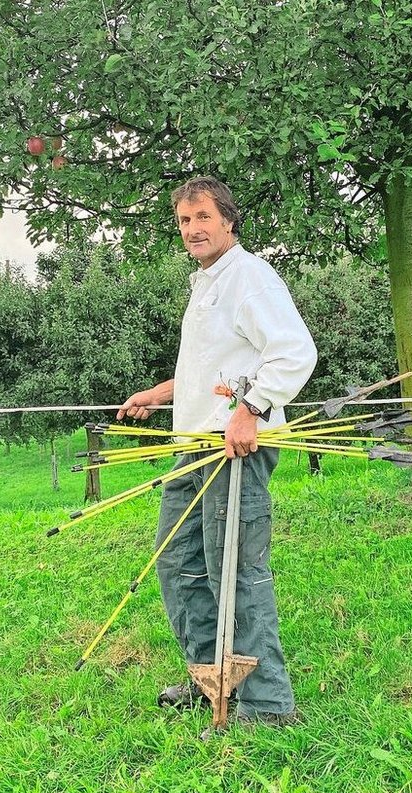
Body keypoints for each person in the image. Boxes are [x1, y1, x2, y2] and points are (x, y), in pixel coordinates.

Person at [118, 177, 317, 727]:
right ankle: (210, 677)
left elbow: (295, 352)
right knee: (179, 562)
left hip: (235, 451)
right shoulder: (207, 282)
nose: (192, 229)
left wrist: (251, 410)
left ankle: (266, 704)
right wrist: (162, 393)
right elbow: (216, 365)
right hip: (195, 447)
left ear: (228, 220)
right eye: (184, 221)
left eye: (202, 217)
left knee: (234, 571)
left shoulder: (249, 278)